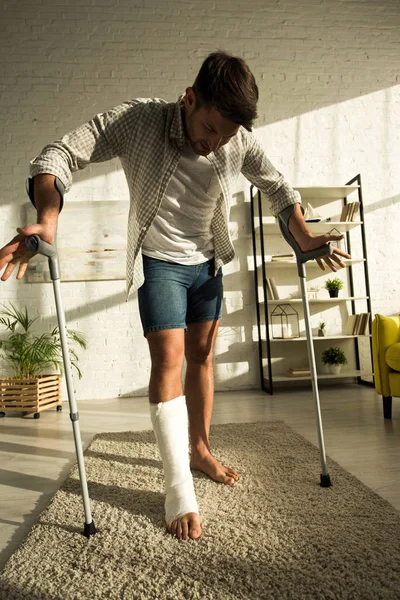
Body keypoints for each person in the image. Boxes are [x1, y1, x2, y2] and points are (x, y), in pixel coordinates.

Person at [0, 51, 350, 542]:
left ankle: (200, 450)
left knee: (202, 356)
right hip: (160, 261)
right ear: (189, 99)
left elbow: (277, 186)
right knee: (169, 356)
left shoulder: (235, 141)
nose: (215, 145)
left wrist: (306, 237)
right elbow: (59, 153)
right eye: (209, 128)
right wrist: (50, 217)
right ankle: (178, 485)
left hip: (207, 261)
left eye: (226, 136)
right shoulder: (139, 119)